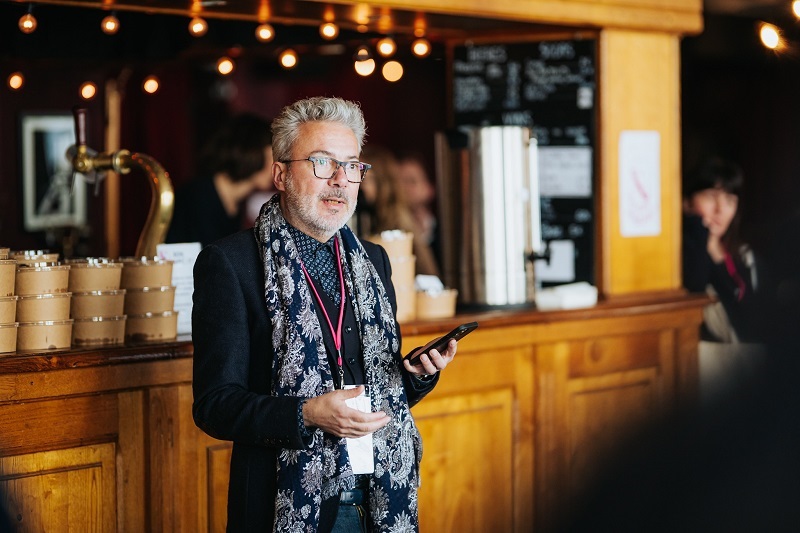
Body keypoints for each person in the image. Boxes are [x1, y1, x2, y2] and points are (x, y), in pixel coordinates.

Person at [191, 96, 458, 532]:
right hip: (286, 503)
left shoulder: (374, 260)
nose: (340, 179)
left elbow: (377, 396)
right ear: (280, 174)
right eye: (322, 163)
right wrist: (307, 414)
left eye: (352, 165)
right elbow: (215, 406)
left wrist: (418, 376)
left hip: (378, 499)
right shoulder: (229, 263)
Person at [681, 157, 768, 404]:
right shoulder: (680, 255)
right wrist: (698, 231)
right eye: (710, 196)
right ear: (687, 201)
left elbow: (757, 318)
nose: (720, 209)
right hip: (703, 375)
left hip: (745, 375)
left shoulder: (744, 256)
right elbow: (695, 286)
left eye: (730, 200)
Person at [165, 113, 274, 247]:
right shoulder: (196, 196)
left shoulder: (237, 204)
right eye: (272, 156)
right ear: (252, 151)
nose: (277, 166)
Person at [356, 144, 440, 276]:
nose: (357, 185)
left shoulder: (397, 227)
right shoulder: (358, 217)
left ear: (382, 183)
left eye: (365, 179)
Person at [394, 151, 440, 265]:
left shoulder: (446, 233)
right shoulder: (394, 237)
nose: (403, 188)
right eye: (399, 182)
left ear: (429, 188)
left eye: (411, 181)